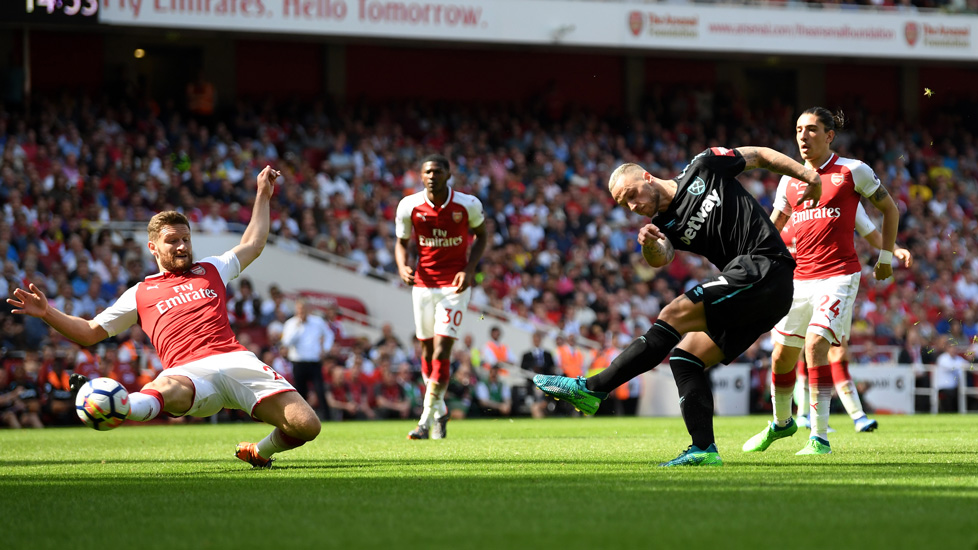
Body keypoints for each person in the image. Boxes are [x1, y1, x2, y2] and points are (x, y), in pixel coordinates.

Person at [6, 166, 321, 468]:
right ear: (153, 247)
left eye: (186, 239)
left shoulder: (211, 268)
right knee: (165, 388)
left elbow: (253, 243)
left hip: (236, 358)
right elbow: (89, 332)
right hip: (188, 373)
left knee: (307, 426)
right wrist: (47, 312)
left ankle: (259, 451)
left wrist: (262, 195)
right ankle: (114, 404)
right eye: (173, 241)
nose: (183, 246)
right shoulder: (139, 293)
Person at [535, 145, 822, 466]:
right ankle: (703, 448)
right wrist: (650, 245)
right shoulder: (665, 224)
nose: (633, 206)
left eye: (632, 194)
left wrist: (808, 175)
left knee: (673, 313)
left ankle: (593, 388)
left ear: (646, 176)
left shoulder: (705, 166)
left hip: (766, 266)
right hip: (757, 293)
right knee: (686, 359)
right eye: (624, 204)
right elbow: (662, 257)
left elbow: (760, 156)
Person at [742, 108, 899, 456]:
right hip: (799, 279)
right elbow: (773, 229)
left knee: (815, 346)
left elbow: (890, 210)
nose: (802, 136)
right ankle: (782, 424)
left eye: (811, 130)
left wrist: (886, 257)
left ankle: (820, 437)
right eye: (798, 129)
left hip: (840, 275)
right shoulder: (789, 181)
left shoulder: (852, 171)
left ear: (829, 136)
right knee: (781, 356)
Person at [791, 203, 913, 430]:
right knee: (802, 349)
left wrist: (894, 250)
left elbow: (871, 232)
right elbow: (777, 230)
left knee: (837, 348)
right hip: (802, 281)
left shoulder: (846, 191)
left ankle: (856, 416)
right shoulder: (793, 192)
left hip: (838, 282)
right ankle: (805, 414)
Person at [395, 154, 488, 440]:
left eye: (437, 171)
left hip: (454, 285)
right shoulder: (409, 206)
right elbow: (401, 242)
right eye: (427, 172)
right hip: (423, 284)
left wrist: (470, 270)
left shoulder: (467, 204)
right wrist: (401, 266)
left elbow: (482, 236)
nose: (432, 176)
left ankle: (424, 421)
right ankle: (441, 411)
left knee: (441, 351)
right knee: (425, 351)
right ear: (421, 177)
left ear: (448, 174)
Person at [280, 297, 334, 421]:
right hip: (298, 362)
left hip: (314, 361)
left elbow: (329, 334)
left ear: (308, 309)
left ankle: (327, 418)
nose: (302, 312)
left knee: (320, 390)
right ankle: (300, 419)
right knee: (300, 393)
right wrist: (298, 327)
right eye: (299, 309)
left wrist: (325, 349)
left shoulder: (317, 322)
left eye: (304, 309)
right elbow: (286, 342)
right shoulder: (291, 324)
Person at [520, 331, 557, 418]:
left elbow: (552, 368)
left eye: (538, 338)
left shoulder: (547, 354)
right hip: (532, 382)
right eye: (535, 338)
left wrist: (542, 369)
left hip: (545, 383)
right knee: (534, 402)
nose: (537, 340)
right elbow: (523, 368)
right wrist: (533, 369)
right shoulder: (526, 355)